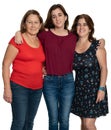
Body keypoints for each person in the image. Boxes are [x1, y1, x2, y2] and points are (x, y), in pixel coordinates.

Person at [14, 4, 105, 130]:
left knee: (64, 119)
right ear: (51, 19)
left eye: (60, 15)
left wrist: (102, 40)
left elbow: (88, 41)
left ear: (66, 17)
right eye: (54, 16)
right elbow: (31, 33)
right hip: (49, 82)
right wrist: (18, 32)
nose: (57, 18)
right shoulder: (45, 35)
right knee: (53, 119)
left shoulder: (73, 36)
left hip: (68, 81)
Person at [2, 9, 45, 130]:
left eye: (36, 22)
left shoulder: (41, 40)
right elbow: (5, 64)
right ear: (24, 24)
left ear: (40, 24)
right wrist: (7, 89)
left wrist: (42, 68)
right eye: (29, 22)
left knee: (29, 123)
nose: (33, 25)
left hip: (37, 88)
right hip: (19, 86)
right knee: (19, 122)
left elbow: (38, 61)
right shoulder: (17, 40)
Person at [70, 14, 108, 130]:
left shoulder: (97, 46)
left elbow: (104, 68)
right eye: (79, 24)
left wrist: (101, 89)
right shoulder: (72, 45)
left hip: (94, 90)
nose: (81, 27)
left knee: (89, 124)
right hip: (79, 89)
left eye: (85, 24)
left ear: (90, 28)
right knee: (83, 124)